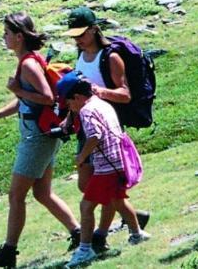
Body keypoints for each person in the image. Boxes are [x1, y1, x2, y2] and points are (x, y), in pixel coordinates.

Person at [0, 12, 81, 268]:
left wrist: (17, 89)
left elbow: (46, 97)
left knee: (15, 196)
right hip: (42, 134)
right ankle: (79, 233)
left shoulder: (29, 65)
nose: (4, 38)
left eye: (7, 34)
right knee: (42, 193)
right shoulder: (29, 60)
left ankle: (8, 253)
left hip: (37, 138)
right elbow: (27, 100)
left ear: (19, 36)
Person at [61, 6, 148, 253]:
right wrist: (69, 118)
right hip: (84, 126)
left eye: (82, 33)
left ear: (94, 29)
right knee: (87, 185)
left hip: (106, 129)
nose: (78, 39)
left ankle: (101, 234)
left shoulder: (110, 57)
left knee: (100, 186)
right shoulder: (80, 56)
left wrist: (98, 91)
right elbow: (76, 94)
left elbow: (125, 94)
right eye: (74, 35)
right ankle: (129, 217)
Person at [58, 74, 149, 268]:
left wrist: (82, 157)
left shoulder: (86, 111)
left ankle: (85, 249)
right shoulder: (102, 104)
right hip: (119, 161)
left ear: (77, 97)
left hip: (106, 166)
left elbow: (95, 135)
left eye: (68, 102)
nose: (68, 107)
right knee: (118, 201)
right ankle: (137, 234)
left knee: (86, 206)